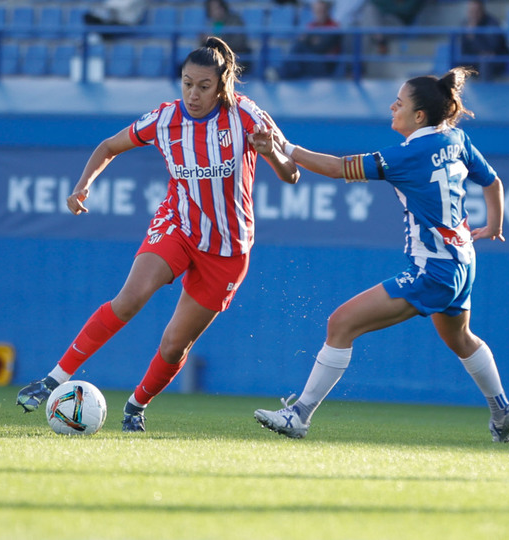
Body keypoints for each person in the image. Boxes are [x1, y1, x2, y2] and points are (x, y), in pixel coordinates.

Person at [16, 37, 299, 432]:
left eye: (203, 86)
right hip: (178, 225)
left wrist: (270, 153)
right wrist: (84, 184)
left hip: (228, 250)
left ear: (221, 86)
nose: (193, 94)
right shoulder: (165, 119)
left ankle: (136, 405)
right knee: (129, 300)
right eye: (186, 83)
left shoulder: (248, 116)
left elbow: (292, 174)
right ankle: (53, 379)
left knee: (174, 345)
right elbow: (108, 146)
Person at [251, 67, 509, 443]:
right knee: (460, 339)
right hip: (462, 263)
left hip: (433, 269)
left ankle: (298, 416)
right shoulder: (455, 139)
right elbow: (492, 181)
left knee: (340, 324)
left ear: (419, 116)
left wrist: (283, 146)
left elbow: (335, 169)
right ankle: (503, 410)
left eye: (400, 102)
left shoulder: (407, 154)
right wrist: (494, 225)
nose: (392, 106)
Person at [278, 0, 343, 79]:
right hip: (310, 61)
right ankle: (283, 74)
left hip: (325, 65)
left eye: (321, 11)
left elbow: (320, 47)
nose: (319, 14)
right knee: (298, 48)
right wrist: (312, 40)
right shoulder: (312, 26)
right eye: (316, 11)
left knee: (299, 48)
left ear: (327, 11)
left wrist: (307, 40)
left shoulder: (333, 27)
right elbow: (301, 40)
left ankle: (281, 74)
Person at [459, 0, 509, 82]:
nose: (473, 15)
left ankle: (486, 92)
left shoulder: (492, 23)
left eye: (476, 11)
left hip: (496, 60)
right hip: (474, 59)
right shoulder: (465, 25)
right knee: (458, 64)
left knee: (485, 62)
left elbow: (491, 49)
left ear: (482, 11)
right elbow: (464, 49)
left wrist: (474, 36)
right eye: (471, 11)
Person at [204, 0, 253, 75]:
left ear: (223, 7)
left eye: (216, 8)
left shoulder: (235, 20)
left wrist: (217, 40)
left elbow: (238, 42)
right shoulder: (211, 24)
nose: (215, 11)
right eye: (211, 9)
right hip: (216, 58)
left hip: (235, 56)